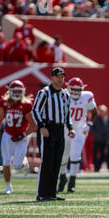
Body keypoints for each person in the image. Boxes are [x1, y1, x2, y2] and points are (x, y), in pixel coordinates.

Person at [32, 67, 75, 202]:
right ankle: (41, 194)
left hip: (60, 129)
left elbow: (67, 113)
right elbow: (35, 110)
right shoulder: (44, 93)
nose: (60, 79)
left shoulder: (65, 95)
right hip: (48, 128)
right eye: (57, 76)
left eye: (62, 76)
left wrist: (70, 127)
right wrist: (42, 126)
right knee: (47, 162)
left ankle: (51, 193)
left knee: (57, 162)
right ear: (51, 77)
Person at [0, 80, 37, 194]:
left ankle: (24, 162)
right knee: (6, 162)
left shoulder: (26, 104)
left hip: (21, 137)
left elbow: (33, 126)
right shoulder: (5, 102)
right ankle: (8, 186)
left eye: (19, 91)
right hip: (7, 134)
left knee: (17, 166)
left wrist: (22, 135)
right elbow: (0, 118)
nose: (17, 94)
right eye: (15, 91)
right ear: (10, 91)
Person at [57, 77, 97, 193]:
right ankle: (63, 177)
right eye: (73, 89)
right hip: (65, 129)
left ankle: (72, 181)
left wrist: (89, 125)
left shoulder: (86, 96)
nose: (75, 92)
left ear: (82, 89)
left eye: (77, 89)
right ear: (68, 88)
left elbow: (94, 112)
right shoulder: (62, 95)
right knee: (63, 156)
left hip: (79, 130)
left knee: (75, 155)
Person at [91, 104, 109, 172]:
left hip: (104, 140)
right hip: (97, 139)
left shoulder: (107, 119)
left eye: (103, 111)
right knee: (95, 153)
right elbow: (92, 129)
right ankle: (95, 167)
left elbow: (108, 130)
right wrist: (97, 135)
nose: (102, 112)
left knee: (103, 154)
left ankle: (99, 166)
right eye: (101, 111)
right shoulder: (95, 118)